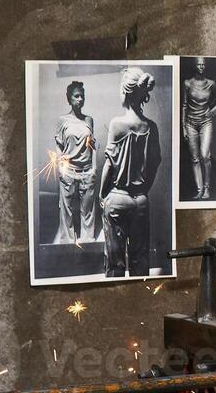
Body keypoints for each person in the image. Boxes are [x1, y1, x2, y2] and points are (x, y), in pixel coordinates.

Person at [100, 67, 161, 277]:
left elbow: (109, 165)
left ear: (125, 92)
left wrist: (102, 194)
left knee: (115, 263)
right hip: (141, 201)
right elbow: (155, 165)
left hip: (118, 198)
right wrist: (143, 190)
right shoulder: (151, 126)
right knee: (140, 260)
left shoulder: (117, 124)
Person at [52, 80, 98, 243]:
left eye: (82, 96)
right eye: (76, 96)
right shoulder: (62, 120)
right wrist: (61, 170)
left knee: (88, 213)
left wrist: (94, 168)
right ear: (69, 98)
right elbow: (59, 146)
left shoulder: (89, 120)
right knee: (67, 212)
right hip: (68, 170)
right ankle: (67, 242)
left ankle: (87, 241)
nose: (80, 99)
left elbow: (92, 146)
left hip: (86, 171)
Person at [181, 57, 216, 200]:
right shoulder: (187, 83)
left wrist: (211, 111)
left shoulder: (211, 84)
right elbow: (184, 105)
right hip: (190, 123)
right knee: (194, 159)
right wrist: (183, 128)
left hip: (206, 122)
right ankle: (199, 190)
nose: (201, 67)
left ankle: (207, 189)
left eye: (203, 65)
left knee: (205, 155)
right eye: (198, 64)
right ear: (194, 66)